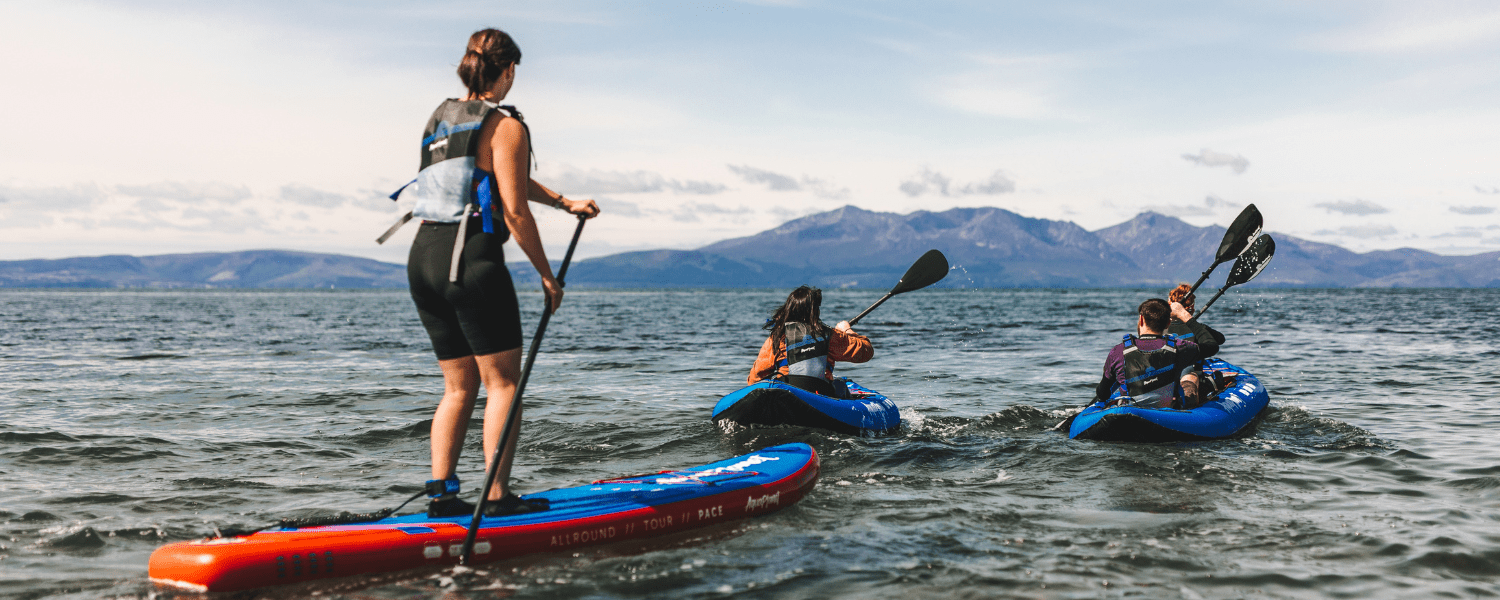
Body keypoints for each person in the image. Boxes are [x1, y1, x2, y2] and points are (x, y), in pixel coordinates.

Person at [400, 29, 599, 517]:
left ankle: (442, 497)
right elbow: (513, 211)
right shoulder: (506, 124)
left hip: (424, 256)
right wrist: (547, 276)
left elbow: (493, 173)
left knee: (458, 386)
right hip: (470, 260)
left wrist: (562, 200)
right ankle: (496, 496)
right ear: (507, 70)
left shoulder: (440, 118)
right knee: (504, 384)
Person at [748, 286, 873, 398]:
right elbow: (866, 351)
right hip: (821, 394)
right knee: (841, 385)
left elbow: (755, 378)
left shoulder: (776, 337)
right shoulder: (830, 335)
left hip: (786, 395)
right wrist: (847, 329)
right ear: (815, 312)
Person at [1092, 298, 1206, 409]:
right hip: (1168, 415)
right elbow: (1211, 345)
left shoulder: (1117, 352)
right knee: (1192, 378)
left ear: (1141, 319)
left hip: (1128, 415)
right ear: (1168, 324)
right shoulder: (1179, 347)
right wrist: (1184, 315)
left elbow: (1102, 394)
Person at [1166, 283, 1226, 406]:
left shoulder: (1157, 329)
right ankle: (1191, 397)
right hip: (1191, 375)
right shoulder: (1200, 329)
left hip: (1165, 377)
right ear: (1191, 308)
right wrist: (1196, 325)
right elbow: (1220, 339)